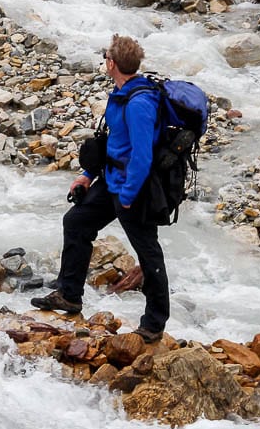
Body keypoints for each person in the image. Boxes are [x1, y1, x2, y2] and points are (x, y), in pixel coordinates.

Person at [31, 34, 170, 344]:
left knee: (148, 253)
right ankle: (69, 295)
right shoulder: (119, 94)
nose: (104, 62)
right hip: (112, 181)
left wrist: (130, 195)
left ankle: (154, 323)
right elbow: (112, 143)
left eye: (106, 58)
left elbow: (142, 155)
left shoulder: (140, 103)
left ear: (111, 64)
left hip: (135, 188)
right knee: (76, 221)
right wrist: (87, 175)